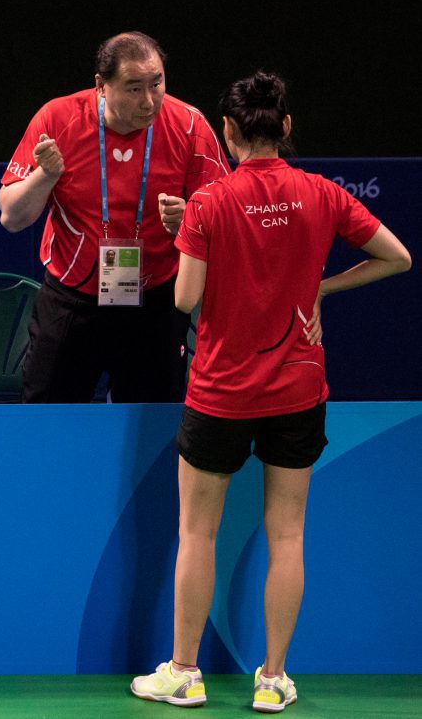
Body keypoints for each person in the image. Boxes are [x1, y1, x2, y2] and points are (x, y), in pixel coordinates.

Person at [130, 71, 410, 711]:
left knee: (197, 533)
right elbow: (397, 257)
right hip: (298, 389)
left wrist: (188, 236)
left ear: (226, 132)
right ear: (285, 128)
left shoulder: (207, 202)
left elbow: (185, 298)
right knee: (288, 534)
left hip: (220, 393)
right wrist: (319, 288)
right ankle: (273, 680)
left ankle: (183, 673)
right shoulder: (321, 194)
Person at [0, 31, 230, 402]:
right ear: (101, 86)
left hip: (156, 302)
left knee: (150, 432)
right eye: (134, 88)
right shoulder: (57, 119)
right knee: (50, 424)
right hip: (72, 301)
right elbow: (11, 217)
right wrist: (46, 175)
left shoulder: (189, 126)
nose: (150, 101)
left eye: (157, 84)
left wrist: (191, 221)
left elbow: (228, 224)